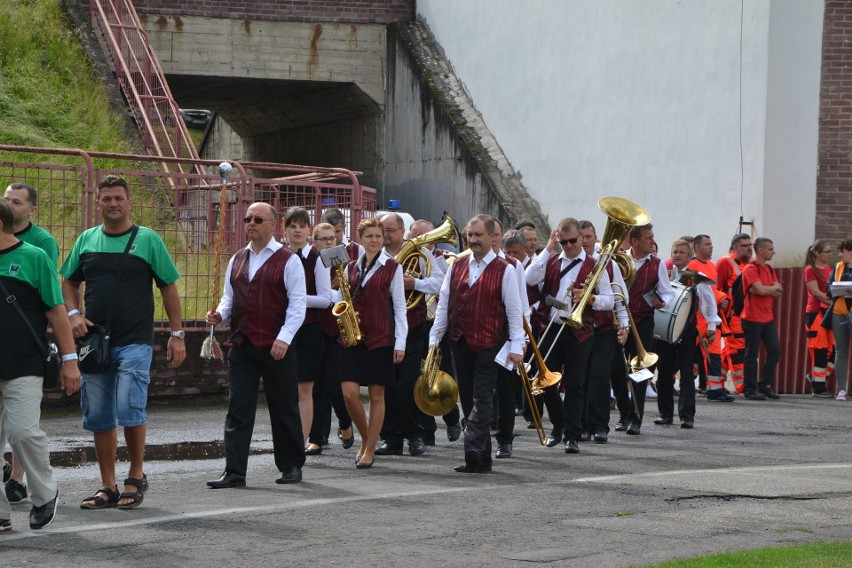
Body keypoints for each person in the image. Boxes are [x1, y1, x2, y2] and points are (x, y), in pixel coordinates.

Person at [62, 176, 186, 509]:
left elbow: (169, 287)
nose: (113, 203)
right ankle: (108, 486)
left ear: (129, 202)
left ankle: (135, 474)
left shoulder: (148, 240)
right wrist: (74, 313)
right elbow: (68, 282)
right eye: (106, 199)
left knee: (129, 406)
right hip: (94, 343)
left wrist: (177, 334)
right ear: (98, 203)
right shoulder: (87, 240)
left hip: (135, 340)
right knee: (99, 414)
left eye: (118, 198)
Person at [206, 202, 307, 488]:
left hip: (277, 346)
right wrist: (219, 314)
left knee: (283, 406)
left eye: (258, 219)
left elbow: (298, 305)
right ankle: (234, 471)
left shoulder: (289, 260)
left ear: (272, 225)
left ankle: (291, 465)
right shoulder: (237, 258)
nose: (251, 223)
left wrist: (284, 338)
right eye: (248, 218)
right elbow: (229, 298)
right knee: (238, 408)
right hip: (243, 343)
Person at [0, 199, 80, 531]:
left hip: (23, 364)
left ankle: (44, 494)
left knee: (21, 432)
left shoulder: (34, 258)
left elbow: (56, 312)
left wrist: (70, 360)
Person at [430, 215, 524, 473]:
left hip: (489, 343)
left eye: (478, 235)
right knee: (468, 399)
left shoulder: (505, 269)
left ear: (492, 236)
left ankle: (472, 447)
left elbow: (515, 311)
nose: (472, 240)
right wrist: (434, 337)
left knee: (482, 398)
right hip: (459, 340)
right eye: (469, 236)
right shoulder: (457, 265)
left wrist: (518, 345)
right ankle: (482, 460)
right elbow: (444, 303)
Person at [526, 217, 614, 453]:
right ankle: (559, 423)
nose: (568, 246)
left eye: (572, 241)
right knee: (545, 381)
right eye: (563, 242)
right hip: (552, 327)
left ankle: (572, 435)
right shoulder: (552, 261)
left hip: (580, 330)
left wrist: (590, 298)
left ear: (581, 238)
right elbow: (529, 278)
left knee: (575, 384)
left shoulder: (596, 266)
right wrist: (547, 248)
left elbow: (609, 301)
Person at [2, 182, 60, 505]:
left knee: (22, 427)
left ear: (31, 209)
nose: (11, 205)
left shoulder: (40, 245)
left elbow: (48, 299)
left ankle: (19, 479)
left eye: (18, 201)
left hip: (26, 344)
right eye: (7, 199)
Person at [333, 217, 406, 469]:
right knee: (349, 394)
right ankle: (367, 438)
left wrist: (401, 343)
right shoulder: (349, 267)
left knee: (376, 395)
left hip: (381, 338)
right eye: (369, 236)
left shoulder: (393, 267)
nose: (374, 240)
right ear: (360, 239)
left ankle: (369, 448)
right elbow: (340, 298)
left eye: (378, 236)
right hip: (352, 338)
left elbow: (400, 307)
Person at [611, 224, 673, 435]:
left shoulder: (657, 264)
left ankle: (636, 419)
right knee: (617, 371)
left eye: (652, 237)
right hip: (618, 322)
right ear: (635, 241)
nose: (652, 241)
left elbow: (667, 292)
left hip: (643, 322)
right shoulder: (618, 260)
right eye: (648, 237)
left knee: (640, 371)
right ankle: (623, 414)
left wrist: (662, 302)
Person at [282, 207, 333, 454]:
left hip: (309, 330)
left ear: (309, 230)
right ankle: (288, 439)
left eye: (302, 225)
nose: (298, 230)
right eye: (293, 225)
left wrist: (295, 298)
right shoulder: (278, 256)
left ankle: (298, 445)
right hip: (283, 332)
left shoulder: (319, 259)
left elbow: (325, 299)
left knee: (304, 389)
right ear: (286, 229)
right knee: (284, 390)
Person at [408, 219, 462, 446]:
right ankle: (426, 431)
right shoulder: (407, 259)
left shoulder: (444, 259)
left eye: (427, 236)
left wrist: (415, 283)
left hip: (438, 325)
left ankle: (452, 419)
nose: (423, 241)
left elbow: (443, 287)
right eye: (418, 236)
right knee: (421, 378)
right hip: (417, 324)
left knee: (443, 373)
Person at [655, 239, 719, 428]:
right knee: (664, 372)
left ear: (689, 255)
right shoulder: (664, 275)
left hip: (687, 329)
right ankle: (665, 414)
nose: (677, 255)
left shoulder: (696, 277)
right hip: (666, 330)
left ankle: (687, 416)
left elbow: (709, 300)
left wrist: (712, 326)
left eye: (682, 252)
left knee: (686, 374)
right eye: (675, 251)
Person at [578, 220, 628, 443]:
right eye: (582, 237)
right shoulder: (570, 262)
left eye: (589, 237)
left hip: (604, 329)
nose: (585, 241)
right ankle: (582, 425)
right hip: (580, 329)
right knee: (581, 378)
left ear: (595, 238)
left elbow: (619, 296)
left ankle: (599, 426)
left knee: (599, 377)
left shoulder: (609, 263)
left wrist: (624, 325)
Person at [306, 222, 354, 452]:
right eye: (323, 239)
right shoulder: (311, 262)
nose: (328, 243)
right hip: (315, 328)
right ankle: (317, 437)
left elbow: (349, 295)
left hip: (336, 331)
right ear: (314, 242)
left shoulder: (343, 263)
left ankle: (345, 422)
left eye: (332, 239)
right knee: (316, 387)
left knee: (334, 385)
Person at [740, 237, 783, 401]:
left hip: (767, 317)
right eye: (771, 249)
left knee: (775, 350)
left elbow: (779, 291)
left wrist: (768, 289)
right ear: (761, 250)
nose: (774, 252)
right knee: (752, 354)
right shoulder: (751, 268)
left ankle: (764, 384)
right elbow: (763, 289)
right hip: (751, 317)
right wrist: (770, 288)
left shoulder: (770, 269)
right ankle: (750, 389)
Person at [689, 235, 730, 402]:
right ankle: (669, 383)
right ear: (697, 247)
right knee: (689, 356)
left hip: (711, 318)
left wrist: (721, 298)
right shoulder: (692, 266)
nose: (711, 247)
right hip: (699, 319)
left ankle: (714, 389)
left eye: (711, 244)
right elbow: (701, 294)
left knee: (713, 354)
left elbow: (712, 292)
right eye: (707, 244)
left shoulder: (712, 266)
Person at [716, 233, 753, 394]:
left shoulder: (751, 265)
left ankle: (717, 381)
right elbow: (716, 288)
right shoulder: (725, 262)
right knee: (738, 350)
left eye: (750, 245)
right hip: (733, 315)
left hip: (748, 315)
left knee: (729, 352)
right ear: (735, 247)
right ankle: (742, 385)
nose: (749, 248)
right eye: (745, 245)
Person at [803, 239, 836, 398]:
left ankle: (816, 379)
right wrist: (833, 302)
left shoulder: (830, 269)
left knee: (834, 350)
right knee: (820, 351)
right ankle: (818, 388)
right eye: (827, 251)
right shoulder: (810, 270)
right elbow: (815, 292)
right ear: (817, 253)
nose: (830, 254)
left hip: (829, 312)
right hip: (816, 314)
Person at [827, 239, 852, 401]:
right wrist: (835, 289)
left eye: (842, 251)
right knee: (841, 351)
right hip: (839, 311)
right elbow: (828, 287)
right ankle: (842, 389)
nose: (840, 255)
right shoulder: (838, 267)